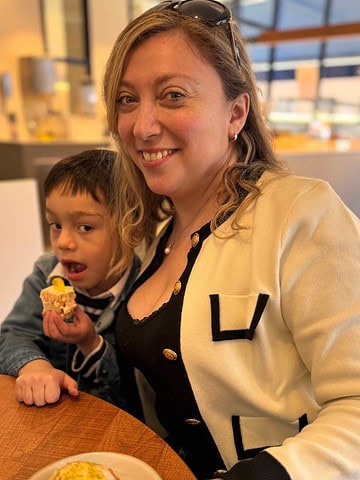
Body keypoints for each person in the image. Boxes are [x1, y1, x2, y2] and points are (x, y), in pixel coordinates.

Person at [101, 1, 360, 479]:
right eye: (126, 99)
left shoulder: (301, 215)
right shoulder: (154, 235)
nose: (142, 126)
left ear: (236, 111)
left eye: (173, 95)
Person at [0, 149, 140, 409]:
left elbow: (137, 390)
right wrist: (34, 366)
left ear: (132, 230)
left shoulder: (144, 289)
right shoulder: (47, 275)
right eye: (55, 225)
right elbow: (14, 333)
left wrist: (89, 342)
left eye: (85, 227)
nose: (63, 243)